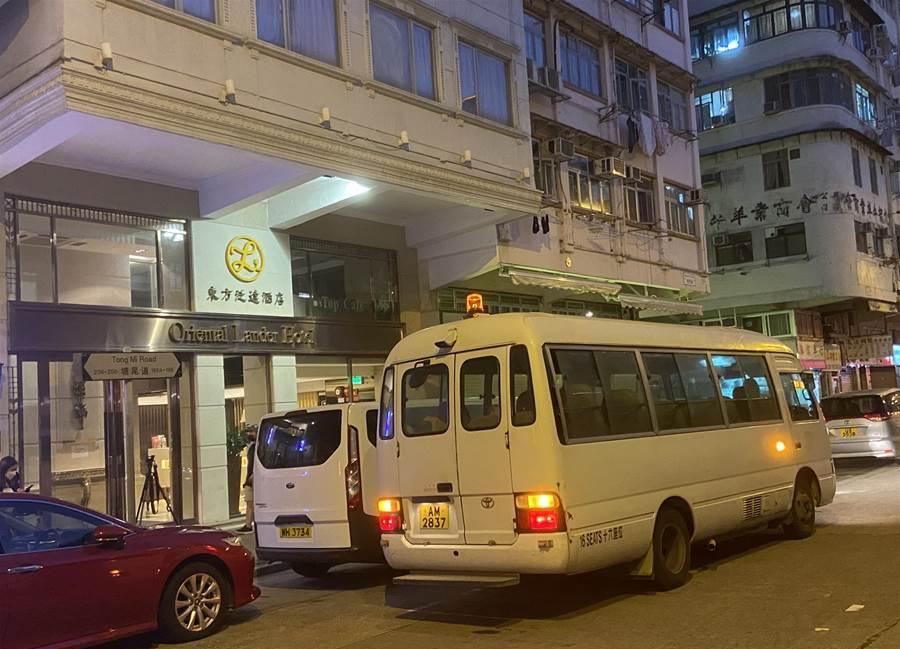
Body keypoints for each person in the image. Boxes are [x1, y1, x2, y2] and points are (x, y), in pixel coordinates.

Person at [238, 427, 257, 533]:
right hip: (251, 478)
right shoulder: (252, 447)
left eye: (251, 432)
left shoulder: (256, 447)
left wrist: (253, 475)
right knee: (249, 502)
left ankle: (249, 524)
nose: (249, 434)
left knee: (250, 502)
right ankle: (248, 524)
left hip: (253, 478)